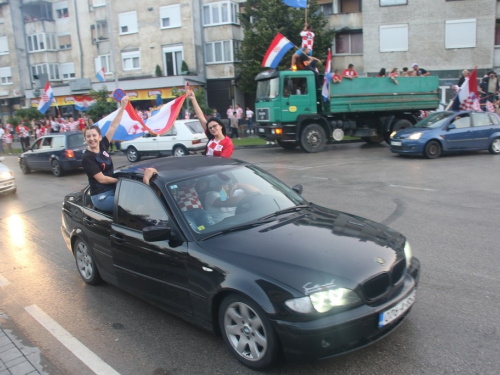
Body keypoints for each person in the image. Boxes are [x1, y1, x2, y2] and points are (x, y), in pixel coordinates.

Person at [81, 96, 128, 212]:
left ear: (99, 137)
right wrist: (121, 181)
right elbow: (101, 179)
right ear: (85, 139)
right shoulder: (87, 157)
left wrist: (122, 108)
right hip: (101, 196)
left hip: (113, 189)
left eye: (94, 135)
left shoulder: (102, 146)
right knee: (129, 206)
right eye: (88, 136)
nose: (91, 139)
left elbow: (113, 126)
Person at [188, 89, 234, 158]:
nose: (212, 129)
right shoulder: (211, 137)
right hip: (207, 167)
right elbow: (200, 117)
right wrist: (193, 99)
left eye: (214, 126)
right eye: (210, 128)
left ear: (221, 126)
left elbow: (223, 163)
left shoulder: (227, 143)